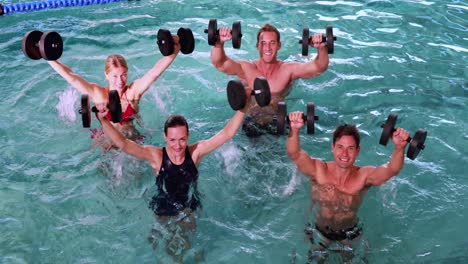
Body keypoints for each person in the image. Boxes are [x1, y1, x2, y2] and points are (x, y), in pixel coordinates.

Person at [95, 95, 250, 262]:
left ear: (188, 137)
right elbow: (124, 143)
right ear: (165, 138)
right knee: (164, 248)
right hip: (162, 208)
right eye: (173, 140)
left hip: (188, 208)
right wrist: (103, 121)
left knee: (189, 248)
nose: (177, 145)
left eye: (182, 139)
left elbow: (227, 133)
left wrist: (244, 107)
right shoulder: (156, 156)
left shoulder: (196, 153)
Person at [285, 112, 410, 262]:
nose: (344, 153)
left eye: (350, 148)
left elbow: (392, 170)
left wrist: (399, 148)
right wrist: (295, 129)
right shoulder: (318, 170)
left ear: (358, 150)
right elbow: (295, 154)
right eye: (340, 147)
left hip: (350, 234)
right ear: (332, 147)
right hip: (318, 230)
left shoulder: (364, 176)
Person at [47, 36, 181, 147]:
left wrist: (175, 50)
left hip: (131, 142)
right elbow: (72, 77)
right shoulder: (99, 94)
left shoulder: (132, 93)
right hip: (107, 142)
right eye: (115, 76)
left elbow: (154, 73)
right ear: (106, 74)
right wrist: (49, 57)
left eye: (124, 75)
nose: (120, 81)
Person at [211, 23, 329, 137]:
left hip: (279, 122)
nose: (267, 47)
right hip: (252, 123)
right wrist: (218, 42)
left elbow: (319, 68)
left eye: (272, 43)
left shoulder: (288, 70)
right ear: (258, 46)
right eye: (263, 43)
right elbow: (220, 64)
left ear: (279, 45)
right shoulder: (246, 69)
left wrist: (322, 48)